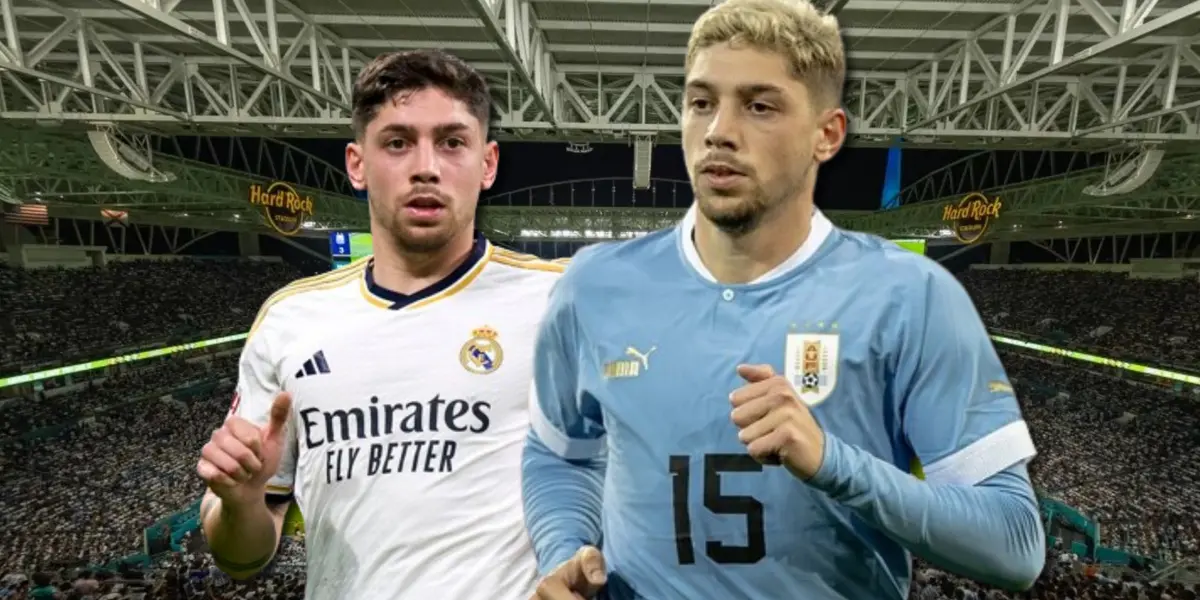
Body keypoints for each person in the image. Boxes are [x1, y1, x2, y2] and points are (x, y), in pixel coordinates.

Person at [521, 0, 1046, 598]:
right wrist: (566, 552)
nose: (719, 130)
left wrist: (832, 462)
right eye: (700, 102)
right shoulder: (593, 284)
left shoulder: (910, 296)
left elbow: (1015, 545)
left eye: (759, 105)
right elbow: (558, 454)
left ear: (827, 134)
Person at [195, 49, 562, 599]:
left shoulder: (556, 299)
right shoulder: (289, 320)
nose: (426, 166)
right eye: (397, 142)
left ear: (487, 164)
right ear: (357, 163)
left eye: (452, 142)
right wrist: (242, 501)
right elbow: (243, 561)